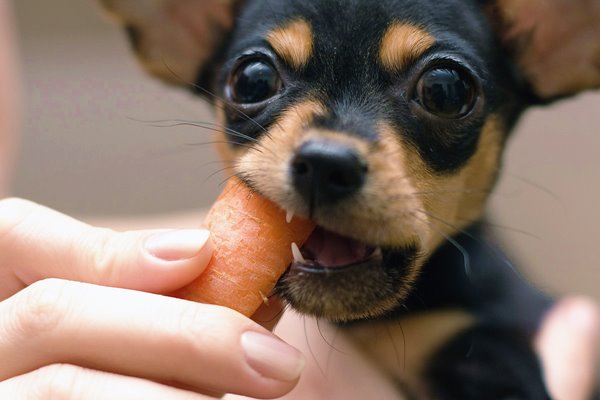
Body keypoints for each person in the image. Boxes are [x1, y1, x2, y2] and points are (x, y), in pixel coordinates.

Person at [0, 1, 598, 398]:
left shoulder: (487, 338)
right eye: (258, 83)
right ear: (185, 27)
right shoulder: (83, 293)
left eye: (440, 92)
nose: (329, 151)